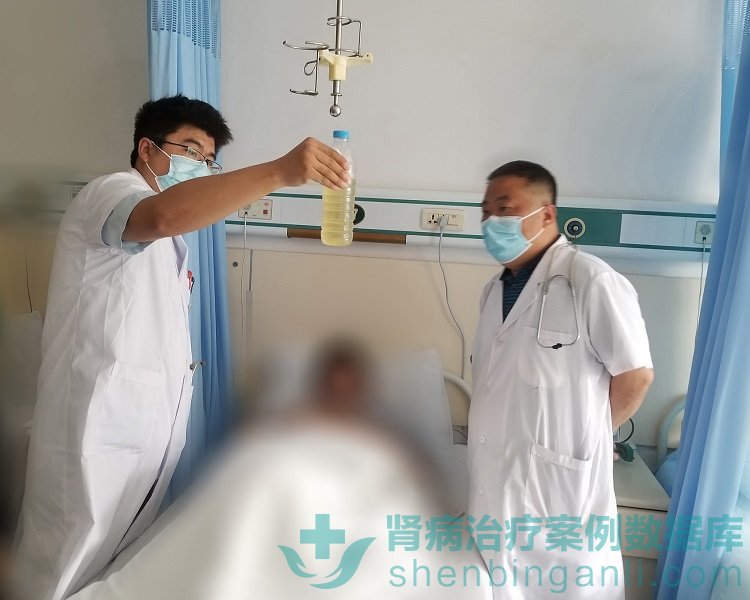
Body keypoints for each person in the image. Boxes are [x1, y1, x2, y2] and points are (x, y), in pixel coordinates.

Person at [12, 95, 350, 600]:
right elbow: (161, 217)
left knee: (107, 572)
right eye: (190, 150)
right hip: (91, 430)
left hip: (139, 435)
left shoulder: (173, 243)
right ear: (147, 149)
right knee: (58, 568)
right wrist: (279, 171)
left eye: (209, 159)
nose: (201, 165)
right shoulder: (110, 193)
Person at [468, 161, 654, 599]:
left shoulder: (591, 279)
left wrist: (586, 434)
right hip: (495, 492)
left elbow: (636, 375)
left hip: (562, 497)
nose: (491, 221)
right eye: (485, 211)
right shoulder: (493, 292)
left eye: (504, 208)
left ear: (547, 214)